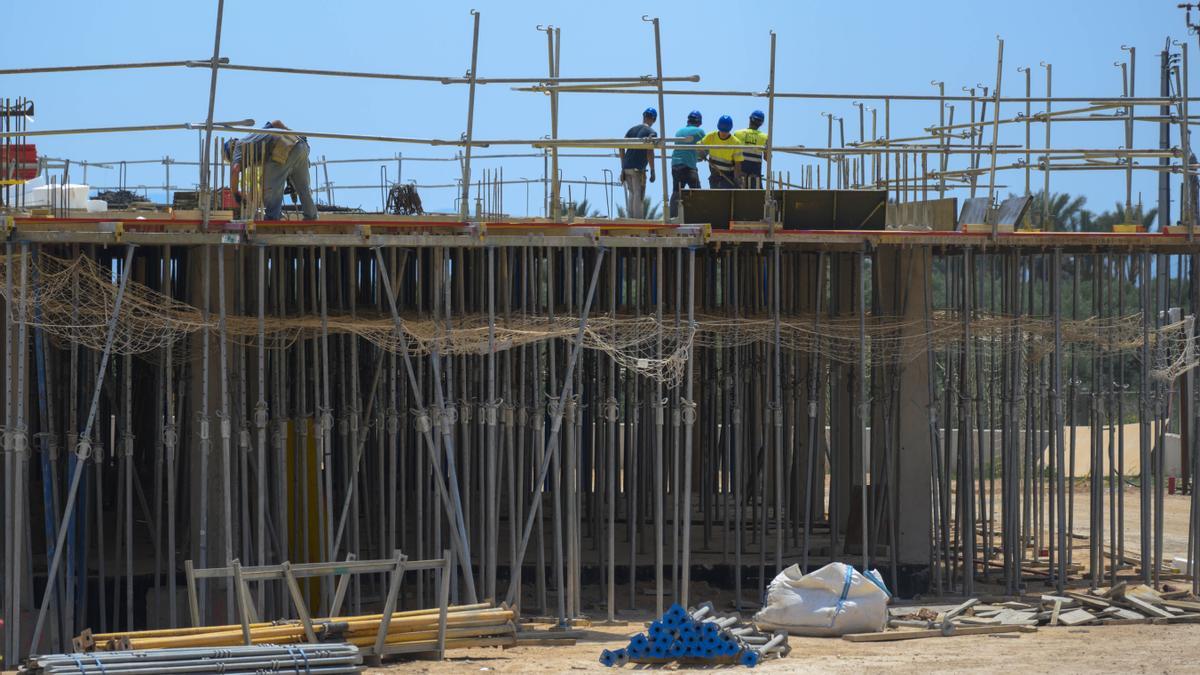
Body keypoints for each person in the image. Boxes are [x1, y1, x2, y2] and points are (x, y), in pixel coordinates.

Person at [223, 120, 318, 220]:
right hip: (300, 145)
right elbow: (276, 123)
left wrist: (235, 193)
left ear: (230, 151)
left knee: (270, 186)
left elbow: (235, 169)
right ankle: (311, 216)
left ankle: (273, 217)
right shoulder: (254, 136)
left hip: (282, 148)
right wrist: (293, 134)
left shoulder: (238, 146)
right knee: (303, 187)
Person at [619, 107, 658, 218]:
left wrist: (622, 166)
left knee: (631, 192)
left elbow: (621, 146)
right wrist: (652, 170)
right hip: (637, 168)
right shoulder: (651, 132)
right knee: (638, 193)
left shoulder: (632, 130)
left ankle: (631, 219)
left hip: (627, 167)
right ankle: (638, 220)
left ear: (643, 117)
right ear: (654, 119)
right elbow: (649, 152)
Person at [669, 110, 705, 219]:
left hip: (675, 164)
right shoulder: (699, 131)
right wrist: (702, 157)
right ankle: (699, 217)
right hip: (689, 166)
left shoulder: (679, 132)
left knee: (676, 191)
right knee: (696, 192)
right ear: (699, 122)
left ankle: (672, 218)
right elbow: (705, 149)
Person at [700, 115, 742, 189]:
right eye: (722, 130)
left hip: (728, 177)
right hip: (714, 174)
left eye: (725, 131)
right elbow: (699, 145)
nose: (723, 133)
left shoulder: (735, 142)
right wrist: (702, 152)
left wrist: (736, 179)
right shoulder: (711, 136)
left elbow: (737, 163)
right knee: (716, 198)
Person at [735, 110, 768, 188]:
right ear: (761, 123)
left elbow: (732, 154)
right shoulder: (765, 137)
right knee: (757, 198)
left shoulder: (737, 133)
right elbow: (767, 158)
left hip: (740, 172)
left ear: (750, 118)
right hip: (755, 175)